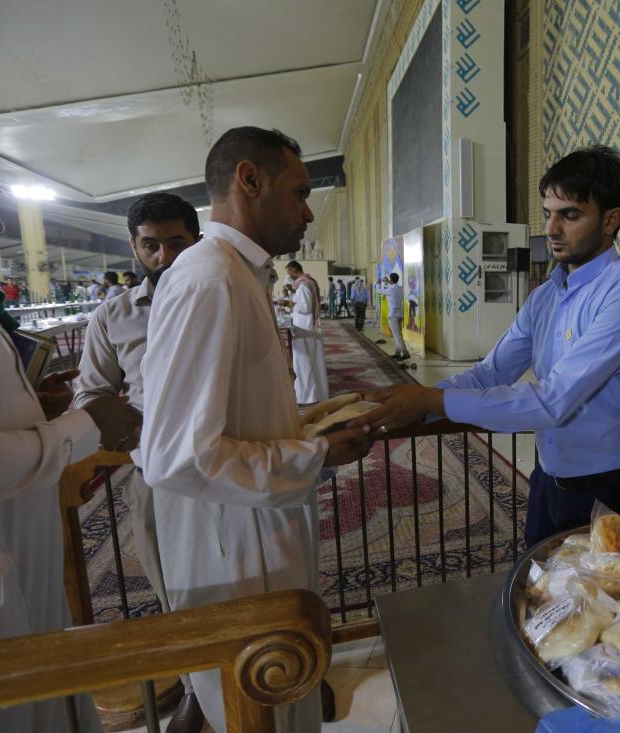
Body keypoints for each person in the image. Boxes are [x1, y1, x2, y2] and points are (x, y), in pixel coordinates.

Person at [139, 126, 372, 732]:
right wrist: (314, 456)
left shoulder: (238, 274)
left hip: (257, 533)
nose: (308, 210)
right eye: (298, 191)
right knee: (254, 710)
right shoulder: (208, 279)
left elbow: (238, 417)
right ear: (250, 180)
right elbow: (177, 456)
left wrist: (314, 421)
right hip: (232, 549)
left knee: (282, 697)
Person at [352, 146, 620, 546]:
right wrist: (416, 402)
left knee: (609, 602)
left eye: (569, 215)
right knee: (540, 592)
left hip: (612, 487)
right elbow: (490, 373)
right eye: (548, 212)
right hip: (550, 479)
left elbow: (553, 400)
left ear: (611, 220)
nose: (551, 228)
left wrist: (432, 403)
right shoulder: (545, 298)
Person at [0, 130, 141, 732]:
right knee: (11, 707)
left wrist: (32, 404)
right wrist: (84, 426)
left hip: (17, 539)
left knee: (45, 683)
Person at [72, 191, 206, 733]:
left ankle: (287, 675)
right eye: (151, 245)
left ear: (195, 240)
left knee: (250, 577)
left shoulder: (224, 297)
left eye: (176, 243)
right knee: (174, 582)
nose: (165, 257)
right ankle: (200, 688)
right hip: (156, 473)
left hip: (234, 464)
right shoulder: (114, 316)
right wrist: (133, 427)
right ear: (134, 246)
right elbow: (90, 391)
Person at [285, 260, 329, 404]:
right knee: (312, 360)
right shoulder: (309, 281)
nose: (288, 275)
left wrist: (290, 304)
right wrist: (293, 296)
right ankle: (317, 393)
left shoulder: (303, 285)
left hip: (304, 326)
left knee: (303, 361)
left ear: (293, 270)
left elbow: (305, 307)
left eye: (288, 272)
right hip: (308, 326)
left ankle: (307, 396)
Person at [385, 272, 409, 360]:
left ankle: (405, 352)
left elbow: (381, 291)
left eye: (389, 279)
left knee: (397, 335)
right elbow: (392, 288)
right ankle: (398, 353)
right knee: (397, 334)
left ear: (391, 279)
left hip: (393, 315)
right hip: (400, 314)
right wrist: (389, 282)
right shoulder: (400, 288)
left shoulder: (391, 289)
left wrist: (379, 284)